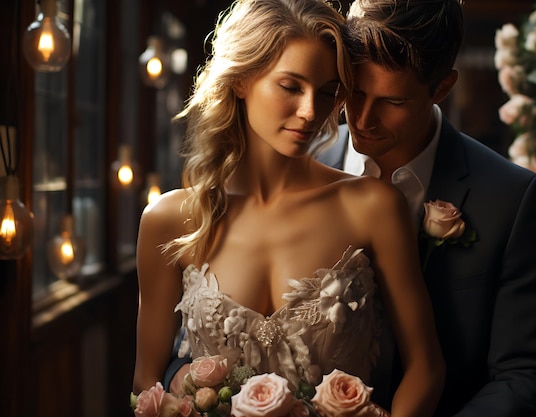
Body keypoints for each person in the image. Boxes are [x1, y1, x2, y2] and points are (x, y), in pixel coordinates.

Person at [132, 0, 445, 416]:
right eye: (291, 86)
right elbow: (146, 385)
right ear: (242, 79)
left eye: (329, 92)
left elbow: (425, 366)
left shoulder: (372, 207)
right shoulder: (168, 221)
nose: (311, 111)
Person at [315, 0, 536, 416]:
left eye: (392, 102)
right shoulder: (294, 164)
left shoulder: (508, 197)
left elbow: (527, 370)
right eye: (353, 91)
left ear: (442, 87)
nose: (362, 119)